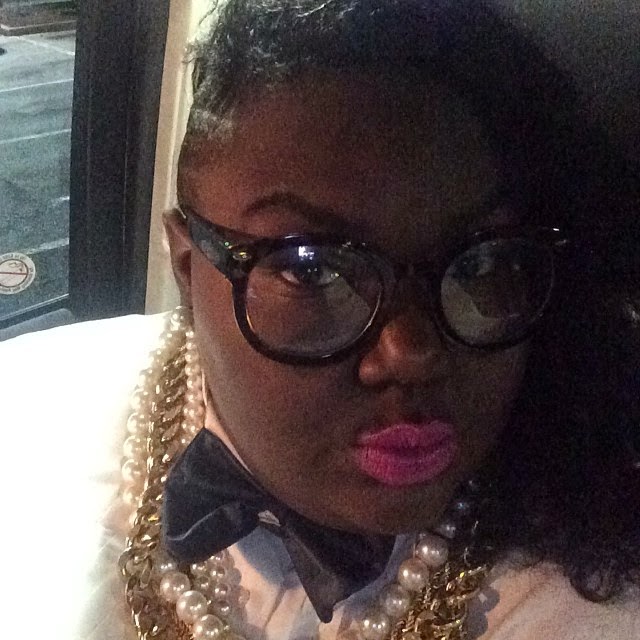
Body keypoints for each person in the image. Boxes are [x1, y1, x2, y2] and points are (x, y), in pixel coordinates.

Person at [1, 1, 639, 639]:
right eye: (312, 269)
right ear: (188, 268)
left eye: (481, 264)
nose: (412, 350)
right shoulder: (28, 429)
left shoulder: (593, 608)